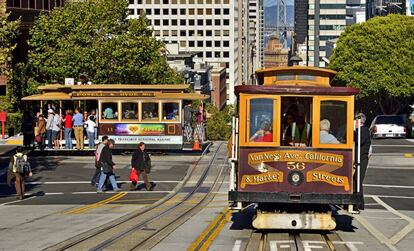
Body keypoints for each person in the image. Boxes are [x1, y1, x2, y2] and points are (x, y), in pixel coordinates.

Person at [353, 112, 372, 211]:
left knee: (358, 180)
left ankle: (359, 203)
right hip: (357, 159)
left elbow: (359, 140)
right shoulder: (358, 130)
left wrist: (353, 131)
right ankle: (357, 202)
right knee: (356, 180)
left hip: (362, 160)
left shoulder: (364, 130)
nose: (354, 121)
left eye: (356, 119)